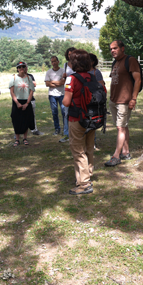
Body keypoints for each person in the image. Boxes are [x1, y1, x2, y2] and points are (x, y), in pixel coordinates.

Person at [62, 49, 104, 195]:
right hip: (92, 119)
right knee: (89, 148)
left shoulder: (71, 79)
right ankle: (87, 175)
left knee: (78, 151)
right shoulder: (92, 76)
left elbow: (66, 102)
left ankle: (84, 183)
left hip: (76, 119)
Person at [104, 40, 141, 167]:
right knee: (122, 127)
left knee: (120, 127)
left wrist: (133, 98)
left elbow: (138, 80)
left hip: (124, 101)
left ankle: (116, 156)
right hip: (114, 100)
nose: (112, 51)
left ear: (122, 48)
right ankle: (125, 152)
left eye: (115, 48)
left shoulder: (130, 60)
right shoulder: (115, 62)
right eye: (111, 49)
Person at [9, 61, 35, 147]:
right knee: (16, 120)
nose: (21, 69)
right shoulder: (13, 78)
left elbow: (31, 92)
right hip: (17, 101)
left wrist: (27, 103)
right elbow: (12, 92)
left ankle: (25, 138)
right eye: (19, 67)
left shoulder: (28, 78)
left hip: (26, 101)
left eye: (23, 67)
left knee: (26, 120)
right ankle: (17, 139)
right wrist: (17, 103)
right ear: (17, 69)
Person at [45, 55, 66, 137]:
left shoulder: (63, 71)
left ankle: (65, 129)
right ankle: (57, 129)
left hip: (62, 94)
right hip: (52, 95)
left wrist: (52, 82)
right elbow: (47, 84)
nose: (53, 63)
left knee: (64, 112)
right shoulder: (48, 72)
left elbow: (63, 83)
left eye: (55, 61)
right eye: (52, 61)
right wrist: (58, 82)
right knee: (54, 113)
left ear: (58, 62)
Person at [59, 47, 77, 143]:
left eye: (72, 54)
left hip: (77, 91)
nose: (70, 56)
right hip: (68, 90)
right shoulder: (65, 65)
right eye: (69, 54)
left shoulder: (79, 64)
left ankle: (76, 133)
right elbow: (63, 81)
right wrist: (64, 77)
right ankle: (67, 134)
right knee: (66, 113)